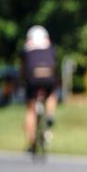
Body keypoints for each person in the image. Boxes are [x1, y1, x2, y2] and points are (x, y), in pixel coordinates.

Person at [20, 25, 59, 153]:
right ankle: (50, 115)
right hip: (48, 77)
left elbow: (23, 69)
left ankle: (31, 143)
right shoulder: (50, 47)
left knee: (30, 110)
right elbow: (54, 64)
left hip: (32, 79)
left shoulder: (27, 48)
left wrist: (22, 82)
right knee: (51, 93)